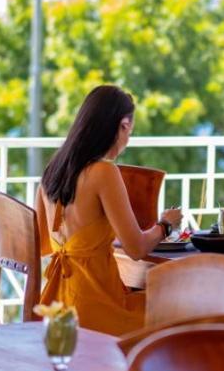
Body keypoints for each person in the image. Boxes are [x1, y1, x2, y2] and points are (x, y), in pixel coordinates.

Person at [37, 85, 183, 336]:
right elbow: (136, 249)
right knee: (183, 312)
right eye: (130, 130)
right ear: (123, 125)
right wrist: (166, 225)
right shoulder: (104, 172)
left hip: (56, 305)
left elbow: (46, 241)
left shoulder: (53, 170)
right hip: (96, 310)